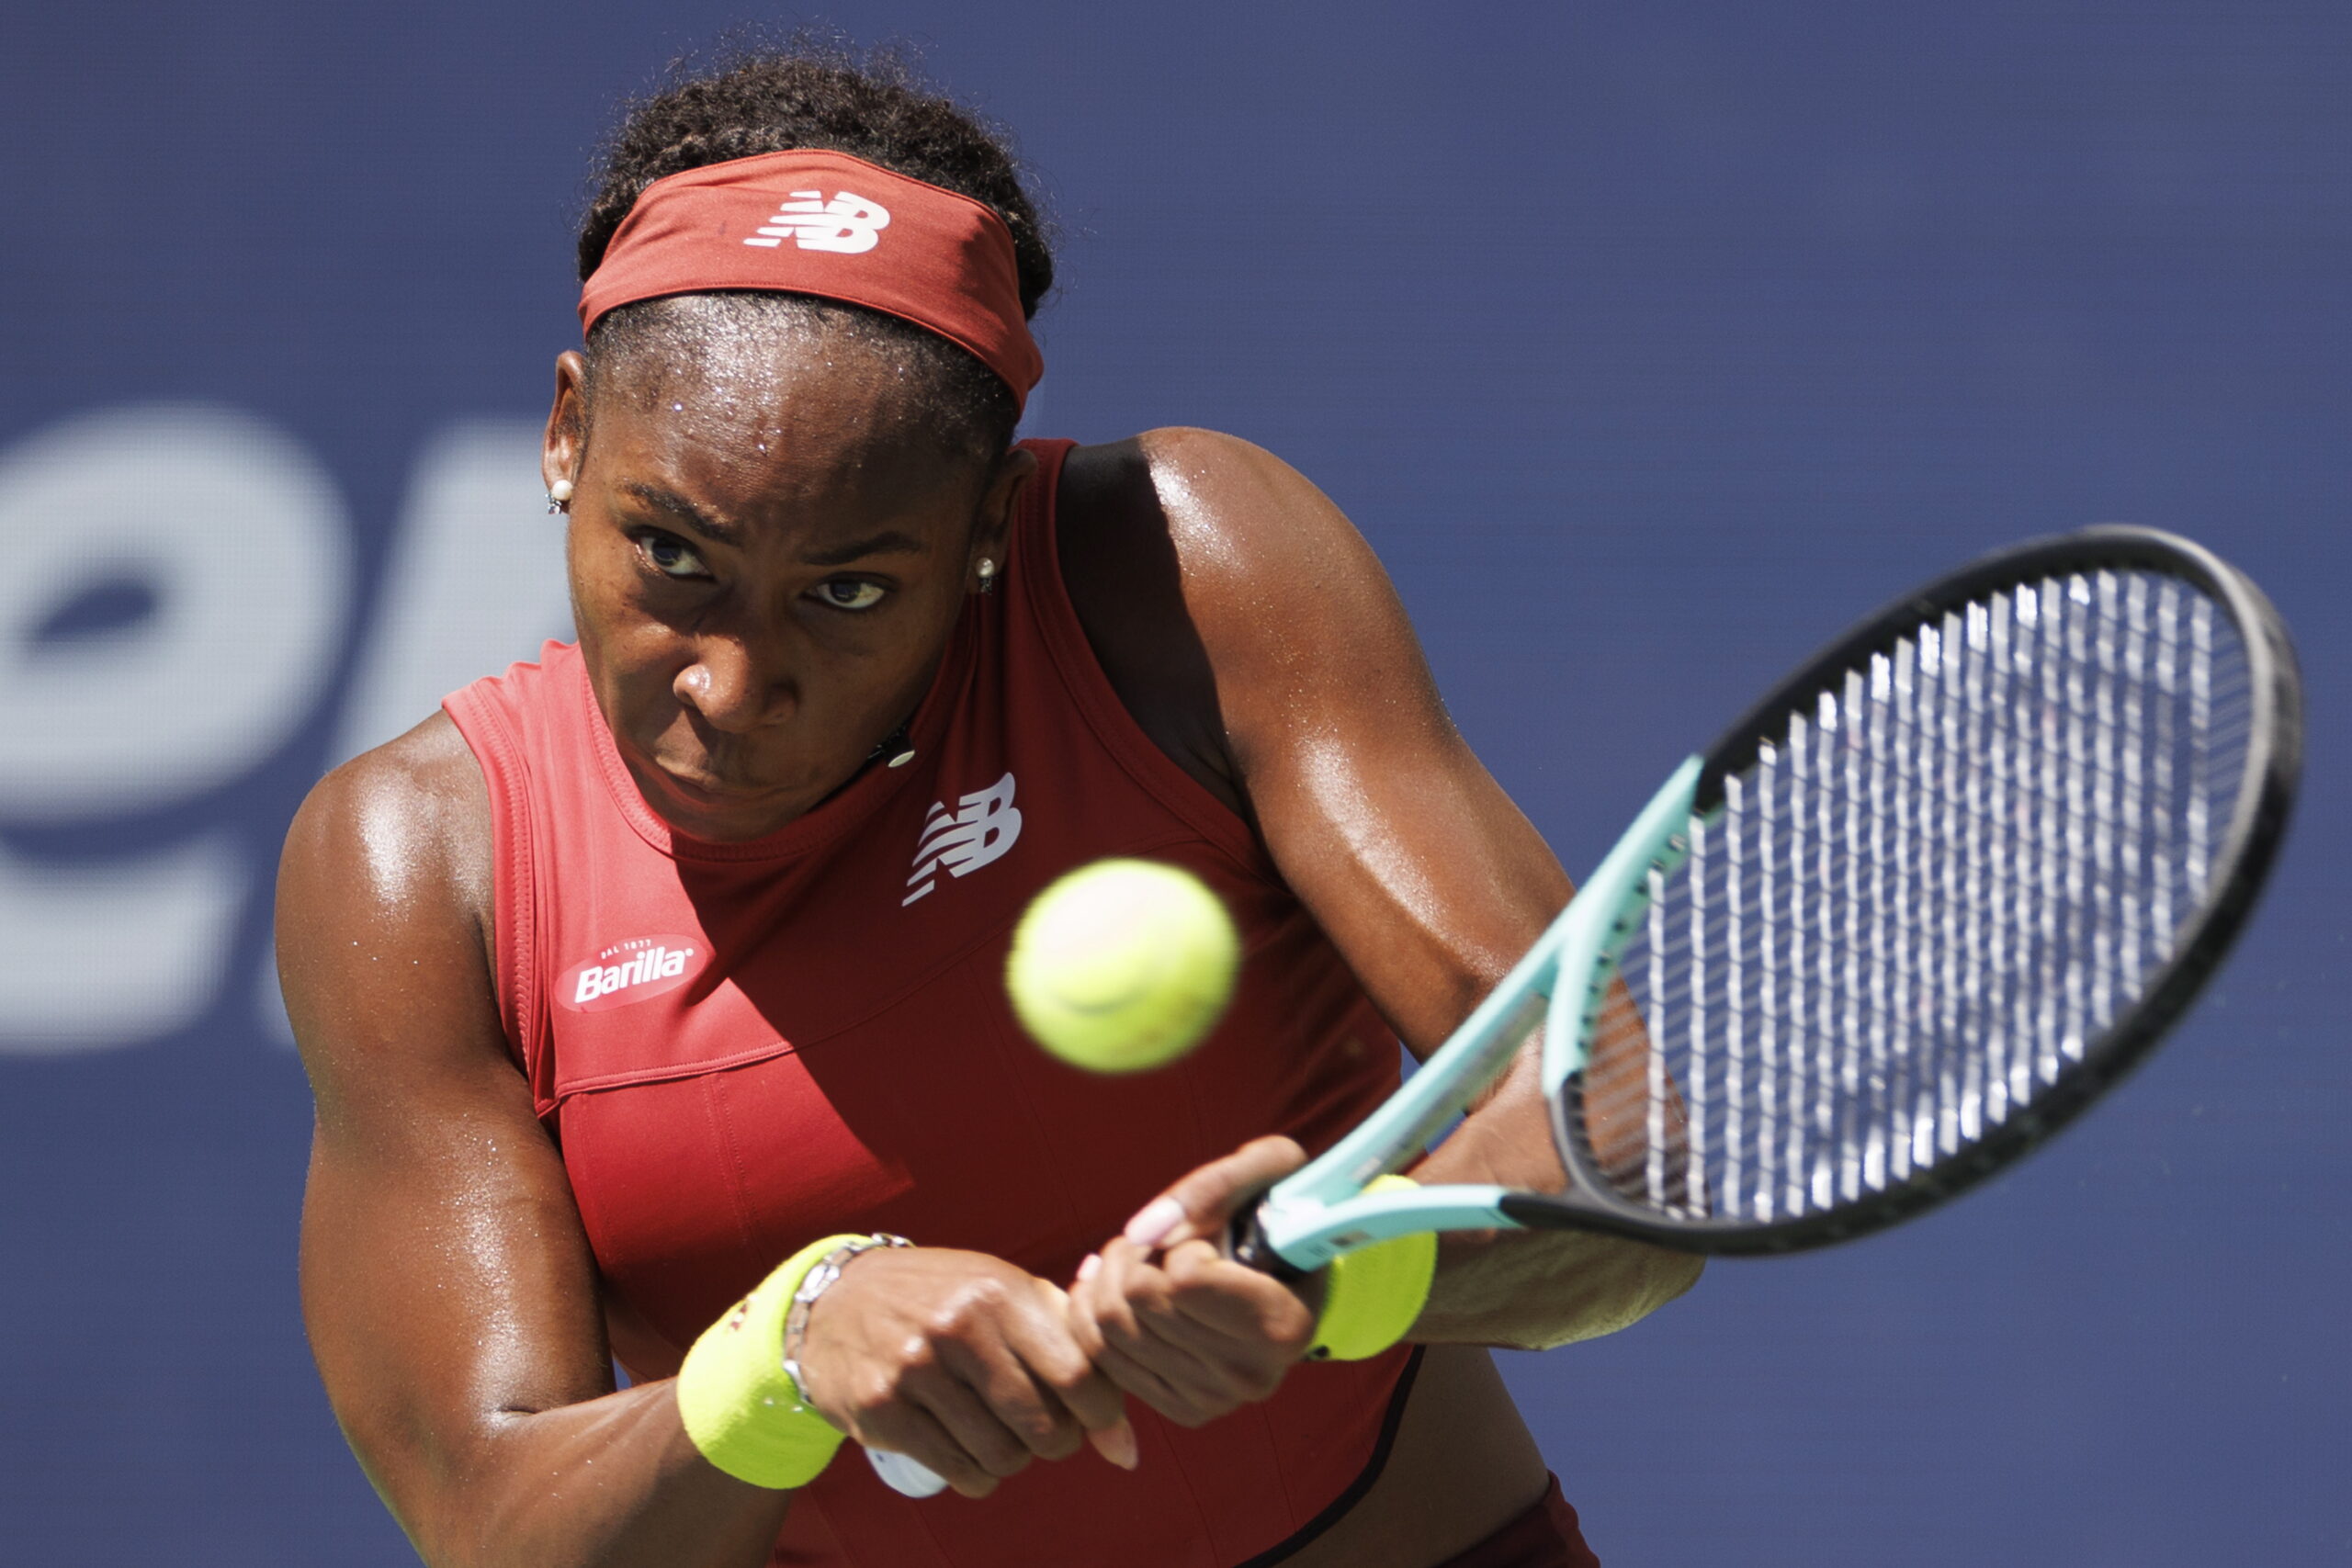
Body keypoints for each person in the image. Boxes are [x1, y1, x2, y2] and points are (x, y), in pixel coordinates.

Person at [278, 44, 1702, 1568]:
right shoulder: (423, 862)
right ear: (567, 437)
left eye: (847, 590)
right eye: (673, 559)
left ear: (988, 525)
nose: (732, 682)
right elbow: (493, 1520)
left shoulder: (1182, 578)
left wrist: (1321, 1273)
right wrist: (789, 1349)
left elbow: (1627, 1150)